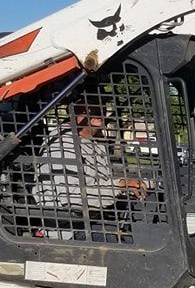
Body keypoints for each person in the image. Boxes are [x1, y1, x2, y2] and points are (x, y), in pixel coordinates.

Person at [32, 103, 145, 240]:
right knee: (137, 242)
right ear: (74, 110)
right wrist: (120, 186)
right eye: (91, 106)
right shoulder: (63, 144)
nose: (99, 111)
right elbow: (73, 200)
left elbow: (100, 183)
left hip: (91, 221)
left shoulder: (90, 142)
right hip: (68, 232)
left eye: (102, 106)